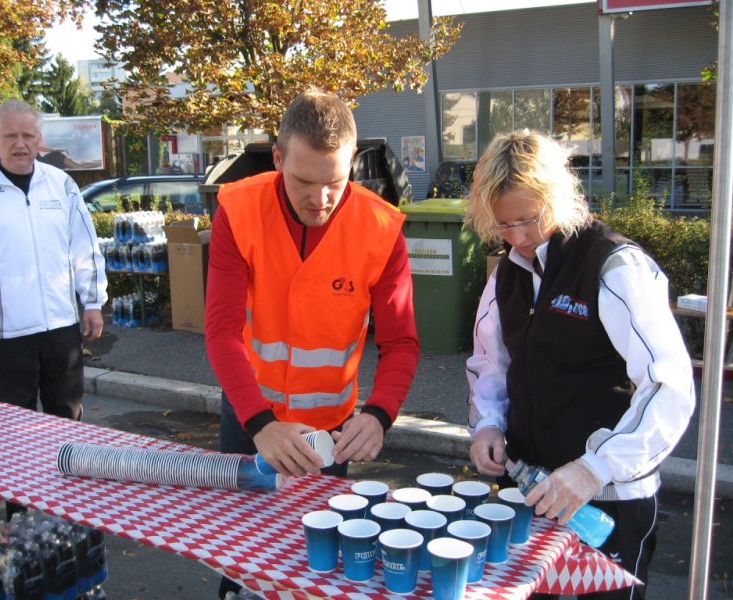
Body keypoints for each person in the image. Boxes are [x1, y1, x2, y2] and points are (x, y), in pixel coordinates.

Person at [205, 89, 420, 598]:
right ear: (277, 158)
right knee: (243, 562)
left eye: (335, 183)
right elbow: (220, 330)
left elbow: (402, 342)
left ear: (353, 163)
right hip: (251, 415)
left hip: (333, 428)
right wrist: (260, 423)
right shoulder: (238, 210)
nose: (319, 200)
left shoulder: (380, 228)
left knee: (317, 568)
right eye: (303, 181)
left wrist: (380, 413)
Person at [464, 130, 695, 599]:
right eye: (503, 225)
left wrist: (595, 468)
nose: (518, 238)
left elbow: (668, 386)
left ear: (559, 196)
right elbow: (491, 361)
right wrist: (487, 425)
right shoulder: (507, 272)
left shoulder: (613, 266)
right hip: (528, 491)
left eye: (528, 220)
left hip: (607, 501)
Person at [0, 99, 107, 445]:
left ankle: (69, 496)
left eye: (28, 135)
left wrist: (92, 302)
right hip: (7, 334)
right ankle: (19, 501)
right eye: (10, 135)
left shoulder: (61, 185)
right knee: (17, 428)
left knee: (69, 421)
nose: (20, 144)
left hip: (61, 326)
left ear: (39, 140)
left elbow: (85, 249)